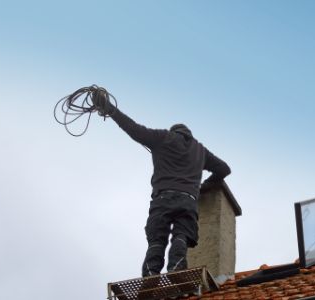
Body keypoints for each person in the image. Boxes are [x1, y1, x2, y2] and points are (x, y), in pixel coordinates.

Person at [93, 91, 231, 277]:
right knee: (181, 236)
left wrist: (108, 108)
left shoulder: (163, 137)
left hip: (163, 197)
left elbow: (133, 128)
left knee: (157, 239)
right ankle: (176, 271)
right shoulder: (200, 149)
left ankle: (151, 277)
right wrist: (206, 184)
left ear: (174, 131)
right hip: (189, 200)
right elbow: (224, 169)